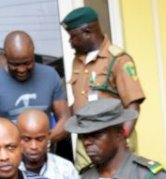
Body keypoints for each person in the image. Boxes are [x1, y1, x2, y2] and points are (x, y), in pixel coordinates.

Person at [61, 6, 145, 168]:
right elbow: (81, 101)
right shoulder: (77, 61)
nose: (70, 43)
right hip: (85, 140)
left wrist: (123, 138)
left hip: (112, 138)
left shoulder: (118, 60)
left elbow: (133, 104)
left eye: (73, 37)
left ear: (87, 31)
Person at [0, 31, 70, 143]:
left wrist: (41, 143)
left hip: (45, 155)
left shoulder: (50, 75)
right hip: (9, 156)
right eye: (14, 64)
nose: (21, 70)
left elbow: (66, 120)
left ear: (33, 54)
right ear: (5, 57)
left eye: (27, 63)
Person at [16, 108, 79, 179]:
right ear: (17, 138)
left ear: (48, 136)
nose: (33, 146)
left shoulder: (65, 169)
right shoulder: (9, 170)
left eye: (39, 139)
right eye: (27, 139)